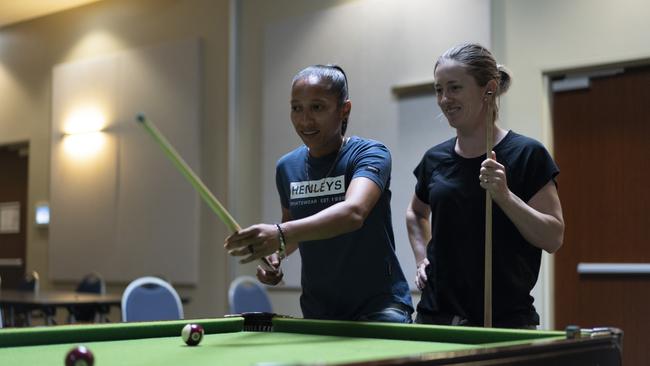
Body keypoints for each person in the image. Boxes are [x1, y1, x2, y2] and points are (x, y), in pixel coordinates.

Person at [225, 64, 413, 323]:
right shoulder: (287, 167)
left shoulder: (370, 154)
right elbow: (293, 230)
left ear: (344, 109)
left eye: (317, 107)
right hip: (319, 310)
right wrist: (277, 254)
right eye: (296, 108)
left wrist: (279, 234)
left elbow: (353, 213)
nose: (305, 120)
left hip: (379, 307)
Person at [406, 43, 564, 328]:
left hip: (503, 323)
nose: (444, 99)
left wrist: (504, 196)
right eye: (439, 89)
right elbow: (416, 214)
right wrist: (421, 260)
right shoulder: (434, 159)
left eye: (454, 88)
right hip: (435, 320)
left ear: (488, 89)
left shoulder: (527, 154)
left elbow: (553, 237)